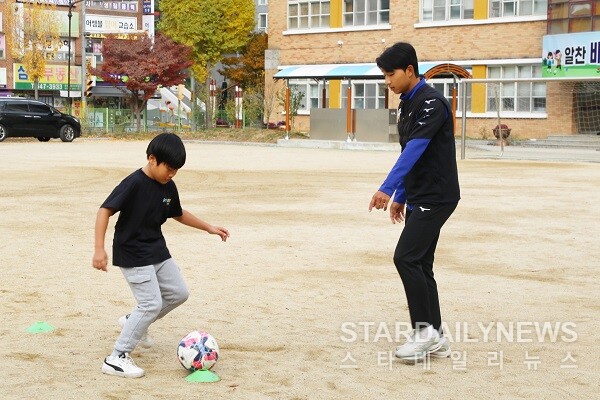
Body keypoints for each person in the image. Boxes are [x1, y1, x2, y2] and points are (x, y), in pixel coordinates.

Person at [92, 133, 230, 378]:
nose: (172, 174)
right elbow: (105, 210)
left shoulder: (168, 186)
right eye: (169, 168)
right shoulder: (133, 183)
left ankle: (132, 320)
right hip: (132, 252)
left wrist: (209, 227)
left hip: (156, 249)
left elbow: (177, 212)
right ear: (152, 159)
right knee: (151, 303)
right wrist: (99, 249)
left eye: (176, 170)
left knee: (178, 294)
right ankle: (117, 357)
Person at [368, 42, 460, 362]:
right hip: (421, 193)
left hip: (438, 195)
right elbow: (411, 155)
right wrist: (402, 196)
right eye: (384, 75)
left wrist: (387, 189)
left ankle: (424, 333)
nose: (387, 82)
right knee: (421, 262)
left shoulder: (432, 103)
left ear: (409, 71)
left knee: (405, 258)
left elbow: (415, 150)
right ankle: (437, 336)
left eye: (390, 74)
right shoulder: (407, 103)